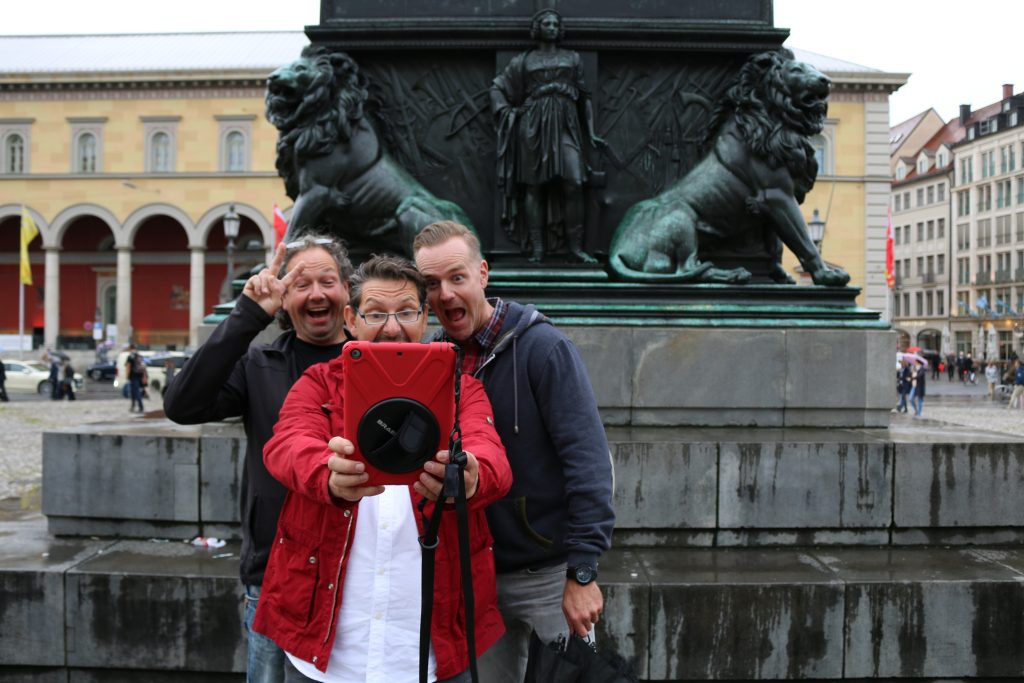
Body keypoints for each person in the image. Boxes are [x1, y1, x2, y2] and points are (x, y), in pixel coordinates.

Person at [254, 255, 512, 682]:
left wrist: (471, 475)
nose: (392, 328)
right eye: (375, 314)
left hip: (431, 652)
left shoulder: (462, 389)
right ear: (351, 320)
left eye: (406, 312)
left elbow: (491, 456)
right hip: (325, 649)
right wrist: (327, 472)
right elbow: (287, 444)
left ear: (425, 317)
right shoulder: (319, 382)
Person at [413, 221, 615, 683]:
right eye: (432, 283)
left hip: (548, 574)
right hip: (473, 578)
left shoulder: (545, 348)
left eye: (457, 277)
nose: (445, 294)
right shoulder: (430, 359)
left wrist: (582, 572)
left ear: (483, 273)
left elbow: (588, 462)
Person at [164, 234, 353, 683]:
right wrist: (247, 315)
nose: (316, 294)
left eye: (328, 281)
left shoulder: (373, 361)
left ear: (347, 291)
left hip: (354, 569)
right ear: (284, 298)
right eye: (301, 284)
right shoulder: (258, 363)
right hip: (274, 573)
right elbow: (182, 404)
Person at [490, 8, 602, 264]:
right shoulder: (523, 61)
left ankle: (575, 247)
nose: (552, 27)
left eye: (555, 24)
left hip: (565, 124)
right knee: (534, 187)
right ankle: (538, 248)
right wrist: (510, 112)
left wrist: (591, 132)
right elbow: (497, 88)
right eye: (546, 23)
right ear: (537, 28)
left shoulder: (572, 58)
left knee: (574, 181)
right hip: (533, 126)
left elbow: (585, 97)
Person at [125, 344, 146, 413]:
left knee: (135, 392)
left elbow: (128, 366)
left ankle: (140, 406)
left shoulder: (130, 356)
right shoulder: (139, 356)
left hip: (133, 376)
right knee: (134, 392)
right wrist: (144, 377)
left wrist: (127, 376)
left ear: (130, 348)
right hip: (139, 376)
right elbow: (143, 367)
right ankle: (133, 406)